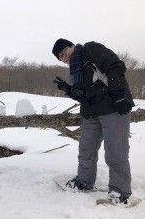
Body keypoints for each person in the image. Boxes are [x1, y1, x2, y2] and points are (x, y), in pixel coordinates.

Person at [52, 38, 135, 205]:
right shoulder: (76, 71)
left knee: (115, 151)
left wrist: (120, 95)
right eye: (60, 58)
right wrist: (68, 89)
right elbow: (83, 95)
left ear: (71, 46)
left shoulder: (90, 50)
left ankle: (120, 193)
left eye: (63, 53)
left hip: (113, 108)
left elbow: (116, 66)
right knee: (86, 149)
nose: (63, 58)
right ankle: (84, 182)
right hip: (91, 113)